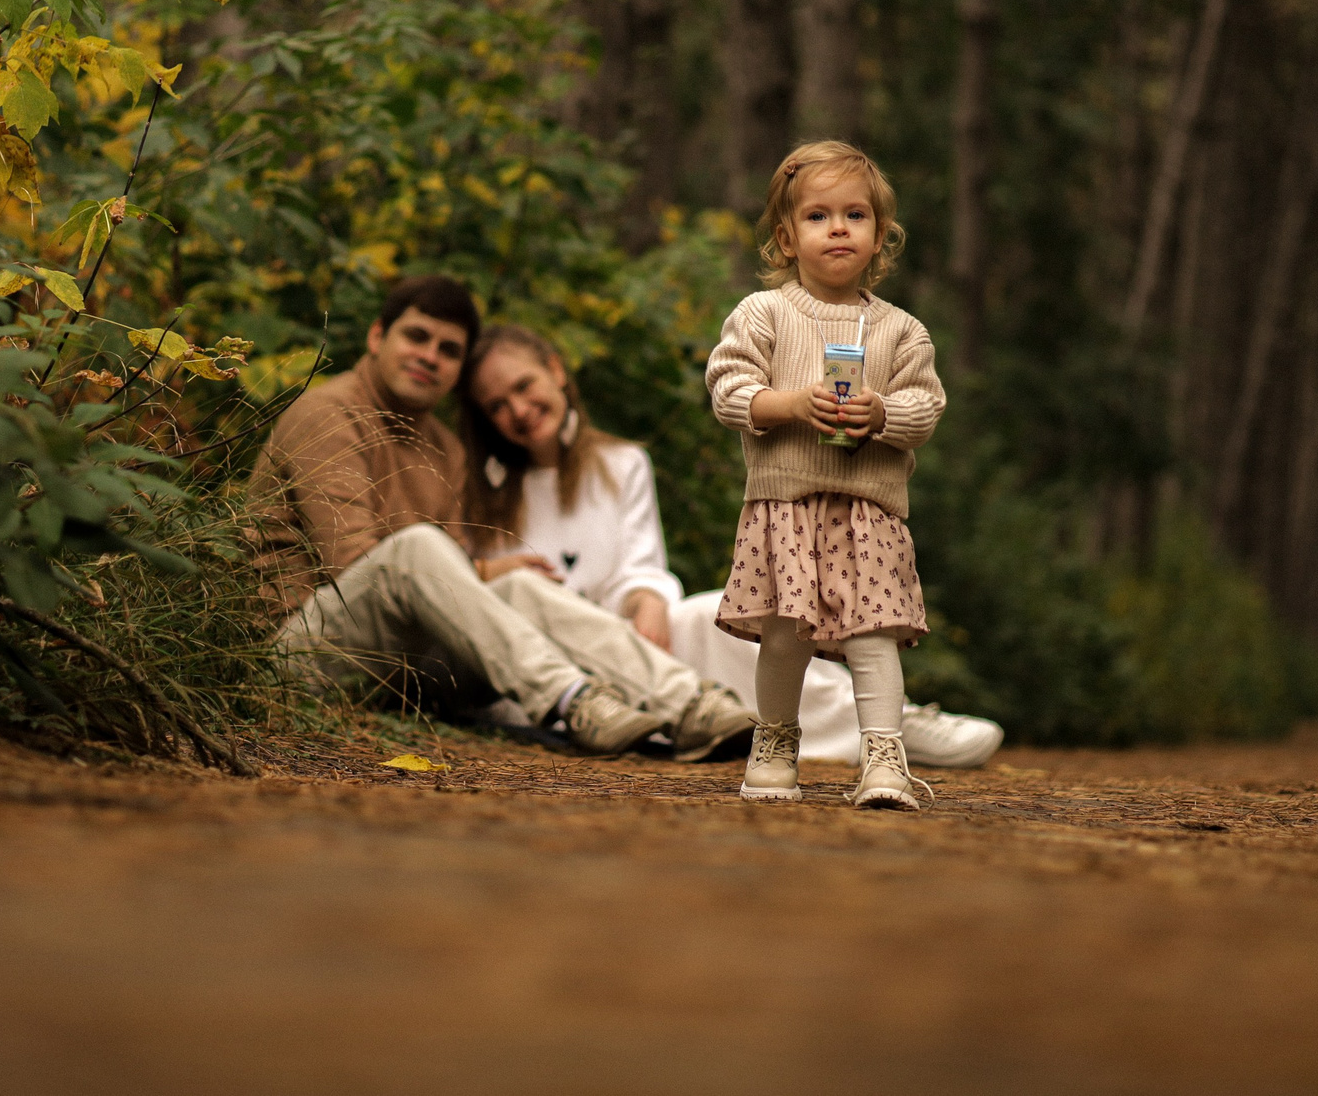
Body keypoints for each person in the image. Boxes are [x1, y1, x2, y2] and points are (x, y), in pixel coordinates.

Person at [248, 274, 756, 760]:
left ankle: (690, 703)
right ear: (377, 336)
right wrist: (486, 573)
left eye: (449, 351)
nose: (430, 357)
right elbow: (353, 564)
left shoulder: (443, 451)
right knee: (422, 549)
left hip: (401, 671)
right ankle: (572, 700)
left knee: (524, 590)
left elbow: (448, 589)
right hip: (298, 655)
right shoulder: (328, 415)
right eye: (417, 337)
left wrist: (494, 577)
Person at [460, 323, 1002, 772]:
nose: (518, 409)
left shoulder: (619, 464)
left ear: (555, 371)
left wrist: (644, 599)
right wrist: (487, 568)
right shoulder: (482, 486)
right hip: (551, 662)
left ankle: (885, 725)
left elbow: (640, 566)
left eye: (525, 386)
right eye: (497, 405)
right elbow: (468, 586)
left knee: (711, 613)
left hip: (626, 638)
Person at [709, 140, 948, 809]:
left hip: (868, 508)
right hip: (784, 504)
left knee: (874, 636)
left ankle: (882, 756)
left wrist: (881, 414)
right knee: (785, 635)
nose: (838, 228)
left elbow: (925, 407)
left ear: (881, 238)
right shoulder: (764, 315)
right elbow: (728, 390)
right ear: (786, 238)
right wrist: (787, 403)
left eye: (855, 215)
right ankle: (776, 742)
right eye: (817, 217)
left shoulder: (902, 332)